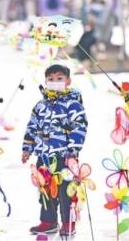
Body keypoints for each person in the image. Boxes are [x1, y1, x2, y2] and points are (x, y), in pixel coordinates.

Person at [21, 64, 88, 237]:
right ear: (45, 82)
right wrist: (27, 148)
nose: (55, 82)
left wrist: (73, 151)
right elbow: (32, 128)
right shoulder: (40, 106)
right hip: (44, 156)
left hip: (64, 156)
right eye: (51, 79)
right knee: (45, 188)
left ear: (68, 81)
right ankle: (48, 221)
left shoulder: (73, 105)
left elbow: (79, 127)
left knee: (66, 190)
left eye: (59, 78)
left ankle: (68, 222)